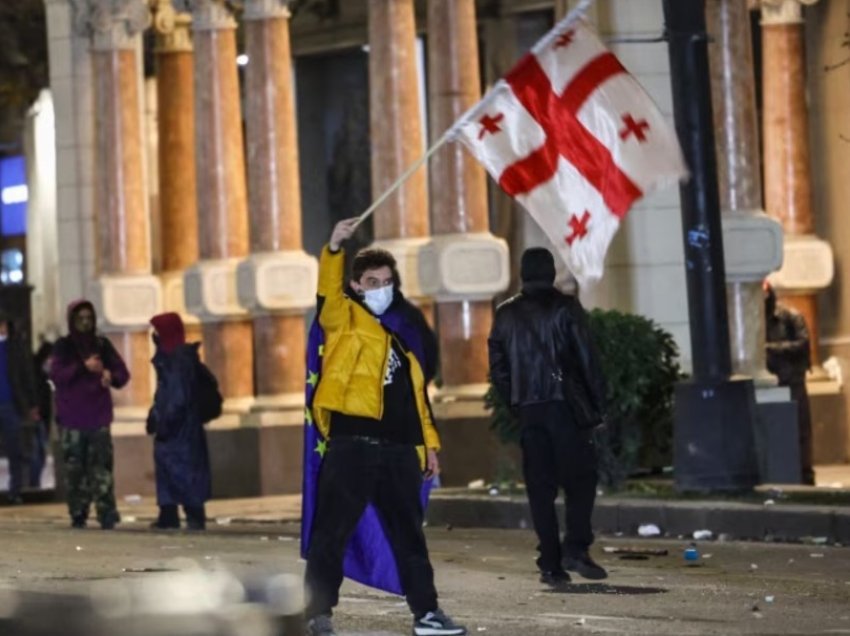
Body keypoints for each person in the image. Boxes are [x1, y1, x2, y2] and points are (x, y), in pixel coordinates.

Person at [304, 218, 466, 636]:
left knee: (409, 539)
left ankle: (427, 615)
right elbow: (327, 293)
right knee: (331, 535)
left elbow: (418, 403)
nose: (381, 288)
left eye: (387, 281)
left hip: (398, 453)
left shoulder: (401, 346)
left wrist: (428, 446)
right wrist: (335, 249)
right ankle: (316, 615)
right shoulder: (343, 321)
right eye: (372, 281)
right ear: (356, 286)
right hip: (352, 446)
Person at [488, 247, 608, 586]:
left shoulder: (505, 314)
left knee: (540, 488)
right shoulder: (566, 308)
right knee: (581, 480)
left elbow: (498, 368)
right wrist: (597, 407)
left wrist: (516, 402)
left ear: (523, 274)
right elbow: (587, 360)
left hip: (530, 410)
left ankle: (550, 563)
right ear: (552, 273)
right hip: (565, 408)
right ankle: (576, 547)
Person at [49, 300, 129, 529]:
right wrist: (83, 367)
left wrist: (109, 375)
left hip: (98, 417)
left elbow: (122, 374)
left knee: (102, 469)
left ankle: (106, 512)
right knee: (75, 471)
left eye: (89, 318)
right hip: (72, 419)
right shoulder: (64, 347)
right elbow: (58, 375)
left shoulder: (102, 345)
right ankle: (78, 511)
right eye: (80, 318)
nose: (85, 323)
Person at [146, 312, 214, 530]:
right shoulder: (170, 358)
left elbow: (176, 397)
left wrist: (163, 421)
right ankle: (169, 514)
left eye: (158, 331)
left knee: (184, 472)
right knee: (171, 470)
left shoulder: (178, 361)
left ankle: (192, 515)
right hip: (177, 429)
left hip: (181, 430)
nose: (154, 336)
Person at [764, 282, 814, 485]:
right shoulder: (756, 319)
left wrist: (771, 348)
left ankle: (806, 474)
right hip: (773, 380)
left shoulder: (790, 316)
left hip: (792, 379)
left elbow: (803, 343)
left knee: (801, 429)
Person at [0, 311, 39, 504]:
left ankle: (15, 489)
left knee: (15, 449)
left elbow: (26, 375)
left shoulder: (15, 347)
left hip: (10, 404)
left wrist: (32, 403)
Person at [29, 339, 54, 488]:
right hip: (37, 419)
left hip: (41, 418)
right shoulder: (37, 377)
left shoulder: (44, 377)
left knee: (40, 454)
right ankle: (33, 484)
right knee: (37, 454)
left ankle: (34, 483)